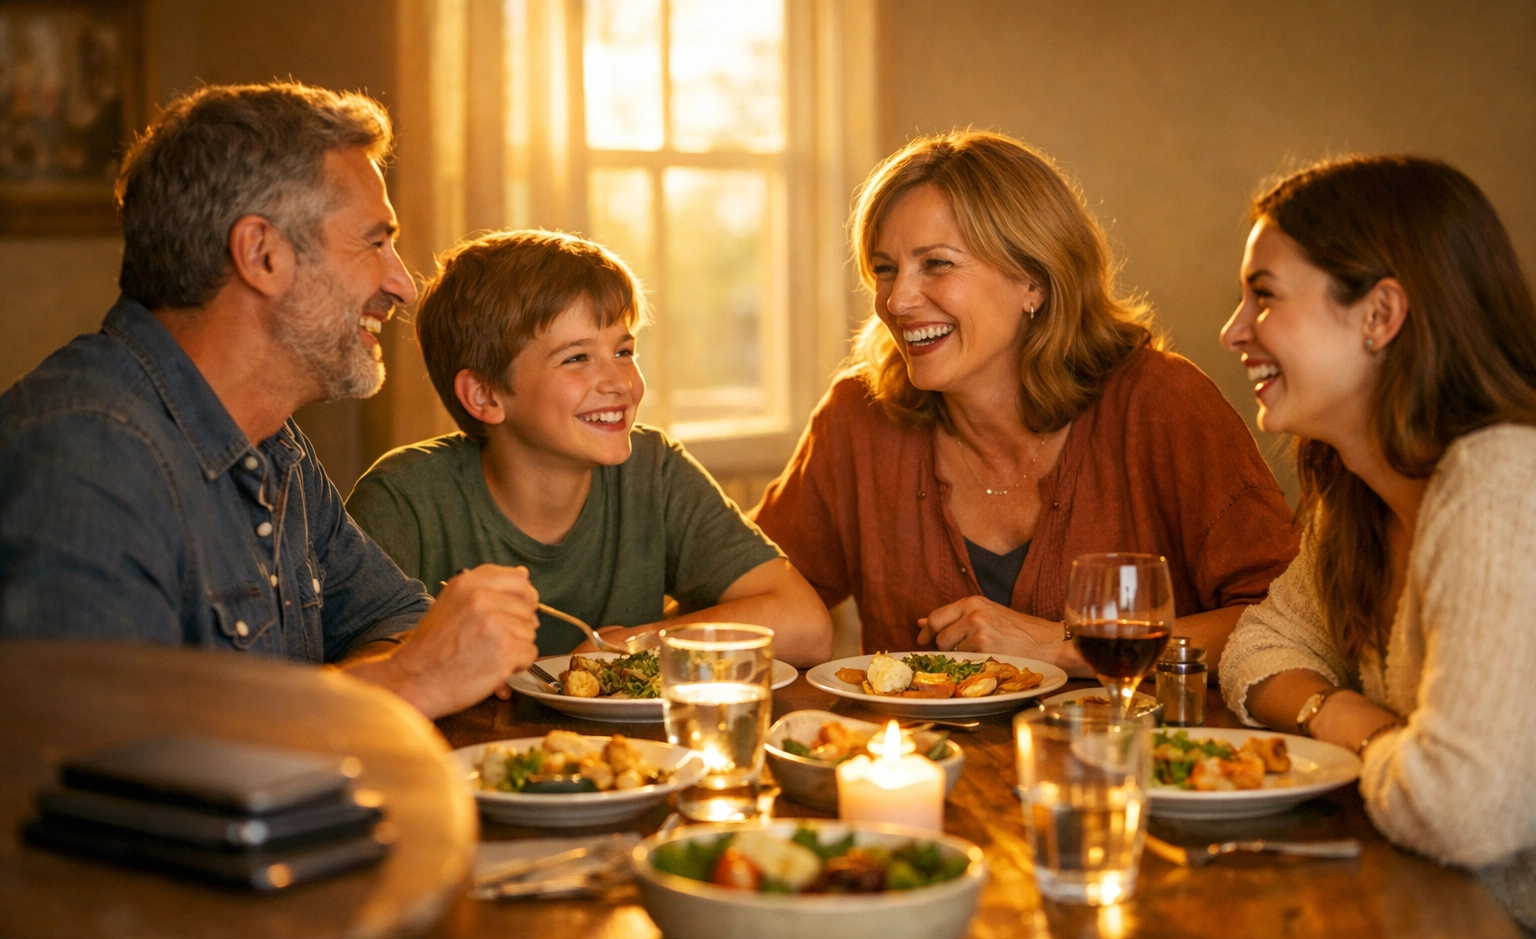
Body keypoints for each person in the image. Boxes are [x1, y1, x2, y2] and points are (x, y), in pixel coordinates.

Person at [0, 82, 541, 720]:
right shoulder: (85, 454)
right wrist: (406, 681)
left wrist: (369, 686)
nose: (402, 285)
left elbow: (394, 618)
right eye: (375, 241)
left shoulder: (273, 444)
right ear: (262, 254)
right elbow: (109, 764)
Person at [751, 130, 1296, 671]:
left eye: (936, 264)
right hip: (926, 760)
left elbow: (1281, 622)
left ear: (1034, 280)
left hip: (1135, 757)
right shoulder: (858, 418)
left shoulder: (1161, 404)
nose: (897, 300)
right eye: (885, 269)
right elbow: (759, 594)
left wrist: (1064, 645)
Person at [1218, 155, 1536, 936]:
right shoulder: (1360, 495)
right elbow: (1255, 648)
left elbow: (1465, 812)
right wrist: (1350, 718)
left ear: (1379, 314)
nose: (1233, 331)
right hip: (1434, 929)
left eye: (1263, 296)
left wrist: (1356, 735)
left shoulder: (1500, 484)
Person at [345, 230, 832, 664]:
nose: (620, 382)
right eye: (577, 358)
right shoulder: (403, 502)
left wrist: (627, 647)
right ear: (485, 396)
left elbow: (806, 627)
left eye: (623, 351)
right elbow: (362, 688)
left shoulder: (653, 471)